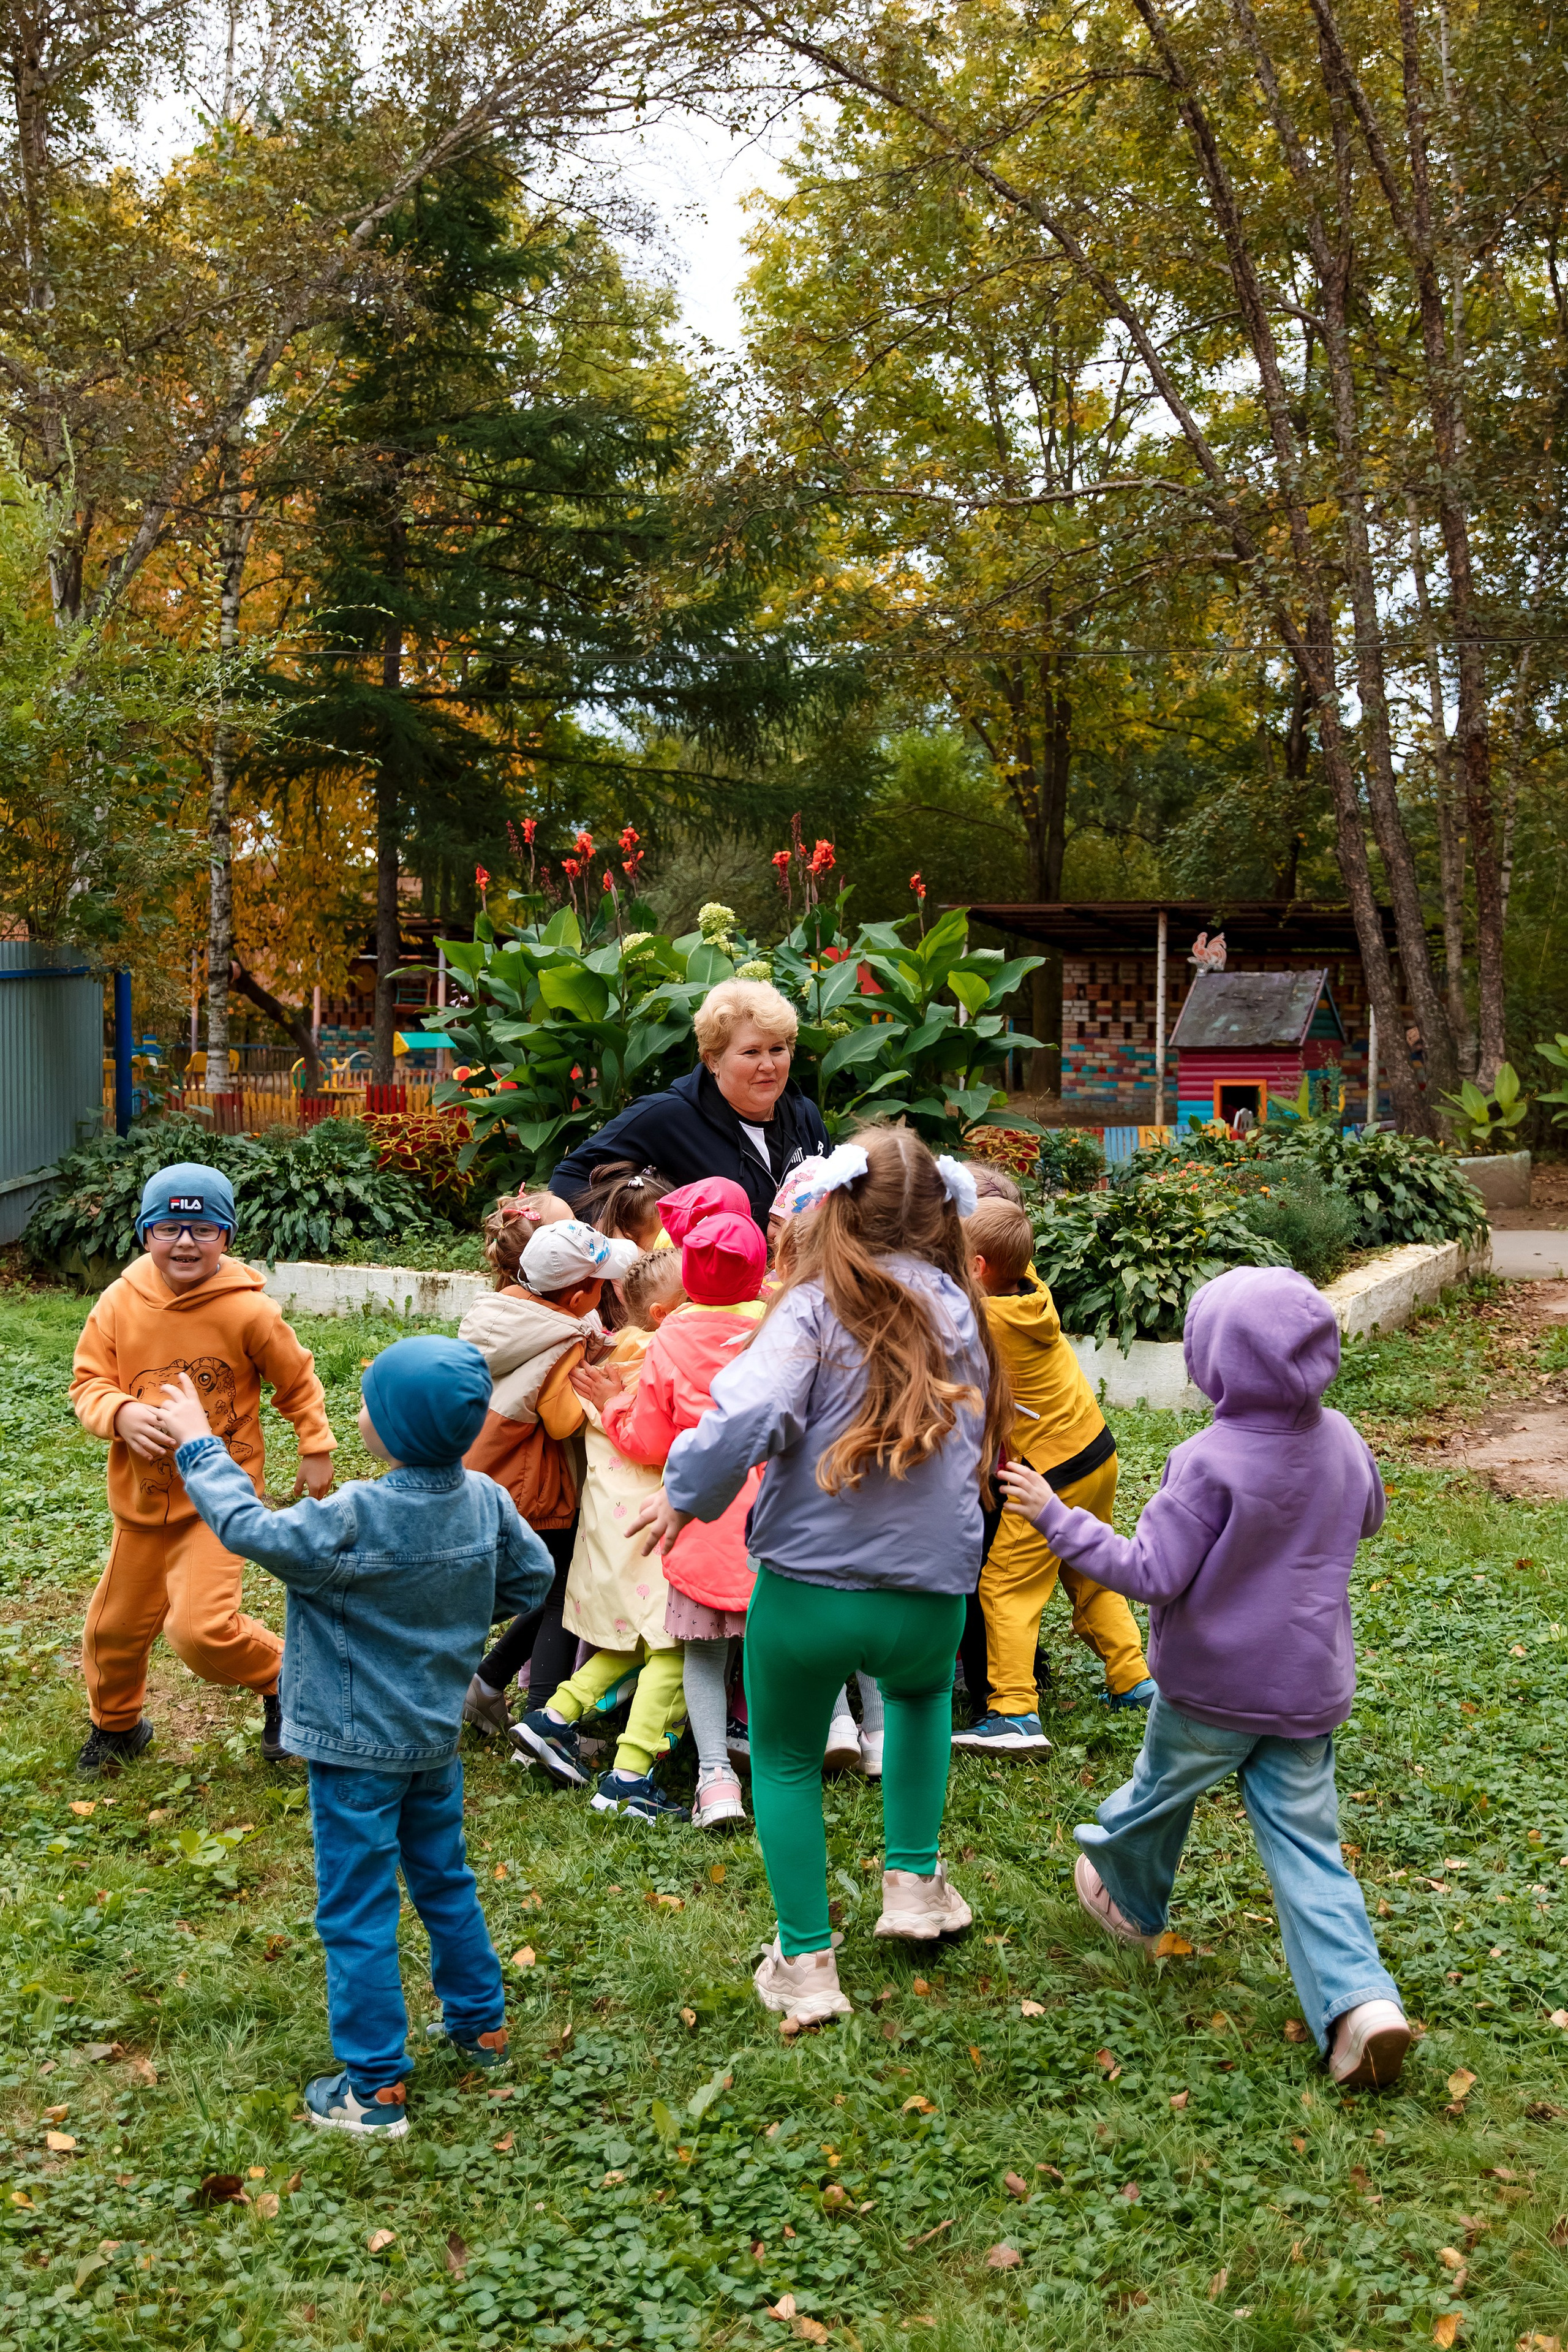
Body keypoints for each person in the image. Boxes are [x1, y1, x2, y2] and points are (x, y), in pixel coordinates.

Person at [998, 1264, 1411, 2092]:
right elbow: (1369, 1514)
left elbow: (1148, 1571)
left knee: (1153, 1800)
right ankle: (1362, 2007)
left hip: (1211, 1692)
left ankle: (1122, 1889)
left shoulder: (1206, 1461)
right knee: (1308, 1848)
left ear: (1212, 1363)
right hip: (1306, 1691)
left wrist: (1054, 1514)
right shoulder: (1344, 1441)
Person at [637, 1129, 1009, 2026]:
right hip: (932, 1594)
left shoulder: (809, 1310)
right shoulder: (964, 1311)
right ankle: (914, 1882)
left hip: (808, 1591)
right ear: (946, 1219)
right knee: (920, 1709)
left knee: (790, 1759)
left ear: (835, 1208)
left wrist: (687, 1495)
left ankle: (805, 1961)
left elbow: (748, 1414)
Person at [157, 1334, 554, 2135]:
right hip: (434, 1740)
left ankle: (374, 2090)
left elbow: (246, 1529)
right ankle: (482, 2026)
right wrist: (460, 1602)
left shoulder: (352, 1520)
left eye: (371, 1402)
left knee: (357, 1911)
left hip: (351, 1752)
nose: (361, 1411)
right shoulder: (485, 1500)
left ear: (392, 1429)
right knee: (444, 1880)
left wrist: (199, 1443)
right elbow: (535, 1578)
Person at [68, 1160, 336, 1774]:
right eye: (167, 1228)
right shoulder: (119, 1303)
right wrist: (117, 1413)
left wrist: (315, 1444)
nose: (185, 1242)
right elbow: (89, 1382)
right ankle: (117, 1728)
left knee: (201, 1632)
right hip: (141, 1503)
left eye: (204, 1229)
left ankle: (289, 1683)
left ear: (227, 1236)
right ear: (145, 1234)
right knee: (111, 1631)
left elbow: (296, 1379)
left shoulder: (249, 1313)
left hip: (220, 1502)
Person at [554, 1209, 771, 1829]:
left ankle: (712, 1780)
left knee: (695, 1652)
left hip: (698, 1516)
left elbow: (648, 1439)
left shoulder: (671, 1338)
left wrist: (616, 1406)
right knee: (777, 1645)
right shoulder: (780, 1320)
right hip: (780, 1522)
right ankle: (813, 1739)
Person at [954, 1196, 1153, 1754]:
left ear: (976, 1268)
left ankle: (1014, 1709)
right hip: (1096, 1449)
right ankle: (1133, 1677)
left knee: (1005, 1585)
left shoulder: (984, 1317)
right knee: (1087, 1569)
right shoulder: (1029, 1292)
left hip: (1049, 1471)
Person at [508, 1248, 692, 1821]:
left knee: (629, 1645)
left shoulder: (607, 1361)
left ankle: (553, 1718)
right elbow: (670, 1440)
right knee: (675, 1651)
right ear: (667, 1313)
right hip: (655, 1534)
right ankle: (630, 1774)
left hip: (611, 1536)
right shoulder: (666, 1361)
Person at [459, 1215, 640, 1736]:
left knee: (540, 1588)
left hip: (484, 1467)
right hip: (531, 1485)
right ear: (581, 1294)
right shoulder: (565, 1339)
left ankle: (487, 1685)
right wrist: (604, 1387)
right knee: (561, 1590)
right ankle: (544, 1714)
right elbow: (561, 1419)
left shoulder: (504, 1310)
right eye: (602, 1284)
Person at [548, 979, 829, 1229]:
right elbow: (569, 1177)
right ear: (713, 1060)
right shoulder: (667, 1117)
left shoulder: (805, 1116)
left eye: (777, 1049)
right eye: (751, 1052)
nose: (768, 1065)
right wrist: (623, 1236)